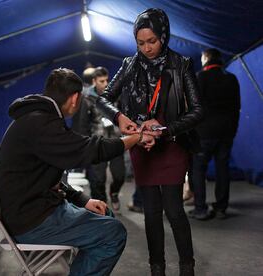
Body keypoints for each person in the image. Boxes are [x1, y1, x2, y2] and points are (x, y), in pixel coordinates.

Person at [0, 68, 155, 276]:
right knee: (113, 233)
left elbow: (45, 179)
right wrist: (136, 138)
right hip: (31, 222)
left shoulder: (36, 119)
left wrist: (83, 200)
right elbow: (91, 150)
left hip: (36, 210)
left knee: (103, 212)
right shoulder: (41, 123)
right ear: (75, 98)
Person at [96, 8, 203, 276]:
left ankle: (187, 267)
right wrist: (119, 117)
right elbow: (103, 99)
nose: (147, 49)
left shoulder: (181, 65)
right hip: (141, 146)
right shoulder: (129, 64)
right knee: (151, 213)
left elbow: (198, 111)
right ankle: (157, 268)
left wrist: (164, 130)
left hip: (172, 145)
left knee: (174, 210)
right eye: (141, 43)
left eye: (152, 42)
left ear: (163, 36)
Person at [189, 48, 241, 220]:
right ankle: (221, 208)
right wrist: (232, 130)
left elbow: (195, 107)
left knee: (198, 169)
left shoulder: (200, 77)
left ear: (206, 58)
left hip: (204, 133)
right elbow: (236, 107)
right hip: (226, 132)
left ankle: (200, 208)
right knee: (222, 169)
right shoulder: (231, 78)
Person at [74, 66, 127, 211]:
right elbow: (82, 124)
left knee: (120, 176)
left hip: (116, 141)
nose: (105, 84)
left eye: (107, 80)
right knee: (98, 180)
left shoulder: (115, 96)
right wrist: (84, 148)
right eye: (101, 81)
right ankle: (103, 209)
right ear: (94, 81)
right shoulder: (86, 99)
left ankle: (114, 193)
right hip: (97, 144)